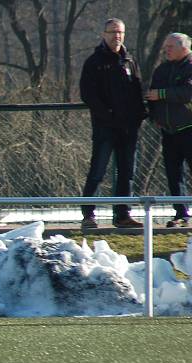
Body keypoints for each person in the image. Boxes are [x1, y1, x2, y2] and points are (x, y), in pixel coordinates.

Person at [79, 18, 147, 229]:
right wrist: (107, 115)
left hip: (128, 129)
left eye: (120, 32)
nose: (117, 36)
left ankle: (122, 214)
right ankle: (89, 215)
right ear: (104, 34)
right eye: (112, 32)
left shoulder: (129, 61)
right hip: (105, 128)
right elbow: (88, 94)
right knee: (97, 171)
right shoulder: (94, 62)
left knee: (127, 173)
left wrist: (139, 115)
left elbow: (137, 90)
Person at [146, 33, 192, 228]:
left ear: (183, 47)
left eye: (170, 46)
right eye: (165, 46)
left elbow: (187, 93)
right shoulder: (162, 70)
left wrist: (162, 94)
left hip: (188, 128)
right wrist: (154, 116)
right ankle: (181, 213)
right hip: (168, 131)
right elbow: (151, 95)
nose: (166, 50)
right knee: (174, 174)